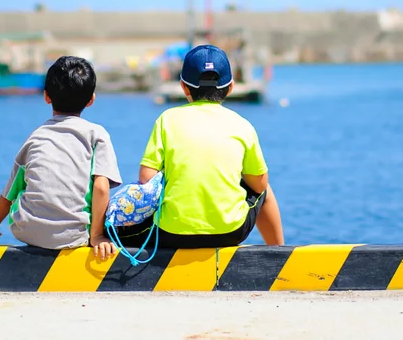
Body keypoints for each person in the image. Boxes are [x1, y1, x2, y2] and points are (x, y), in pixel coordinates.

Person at [119, 44, 284, 249]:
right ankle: (278, 252)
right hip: (230, 232)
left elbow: (146, 178)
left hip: (172, 232)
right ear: (230, 87)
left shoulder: (167, 120)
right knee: (264, 187)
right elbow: (258, 186)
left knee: (118, 228)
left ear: (183, 86)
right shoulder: (242, 125)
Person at [0, 56, 121, 260]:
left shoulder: (36, 137)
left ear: (46, 96)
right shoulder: (96, 134)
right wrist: (98, 236)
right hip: (75, 235)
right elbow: (101, 188)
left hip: (27, 231)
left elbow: (8, 195)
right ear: (91, 100)